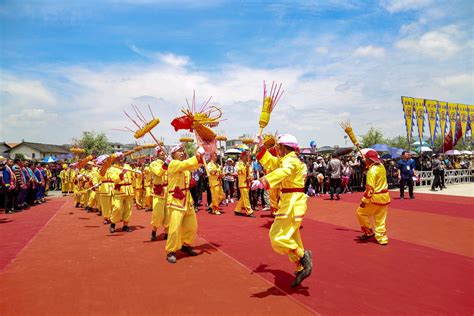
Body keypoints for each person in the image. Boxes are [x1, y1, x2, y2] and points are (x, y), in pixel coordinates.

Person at [253, 134, 312, 288]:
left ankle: (303, 256)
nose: (277, 149)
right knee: (292, 237)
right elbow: (272, 162)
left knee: (277, 236)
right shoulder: (287, 159)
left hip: (292, 202)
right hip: (289, 200)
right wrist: (261, 148)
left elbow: (283, 171)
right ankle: (301, 267)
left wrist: (263, 181)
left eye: (278, 146)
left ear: (285, 147)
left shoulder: (291, 160)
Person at [164, 143, 204, 263]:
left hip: (187, 200)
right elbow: (187, 164)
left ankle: (186, 245)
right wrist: (197, 156)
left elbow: (193, 166)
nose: (182, 152)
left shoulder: (183, 165)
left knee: (192, 226)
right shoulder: (173, 164)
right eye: (179, 151)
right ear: (173, 154)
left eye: (182, 150)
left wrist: (202, 157)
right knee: (175, 228)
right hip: (176, 200)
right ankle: (171, 251)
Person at [356, 149, 390, 245]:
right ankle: (382, 238)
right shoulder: (381, 166)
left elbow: (370, 189)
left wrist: (364, 201)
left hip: (375, 197)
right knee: (380, 219)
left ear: (368, 159)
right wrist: (367, 161)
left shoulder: (372, 171)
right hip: (385, 196)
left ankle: (368, 232)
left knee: (360, 213)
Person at [109, 154, 134, 233]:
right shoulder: (112, 168)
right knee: (117, 207)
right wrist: (122, 174)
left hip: (129, 190)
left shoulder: (127, 166)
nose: (120, 159)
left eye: (122, 157)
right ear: (115, 159)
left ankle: (125, 225)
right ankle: (113, 223)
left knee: (128, 208)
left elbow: (132, 176)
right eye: (119, 157)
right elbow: (114, 179)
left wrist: (137, 173)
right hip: (119, 190)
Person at [149, 146, 169, 241]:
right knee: (158, 212)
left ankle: (167, 232)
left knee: (168, 212)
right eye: (160, 151)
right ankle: (154, 230)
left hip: (169, 190)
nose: (162, 153)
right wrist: (166, 163)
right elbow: (159, 173)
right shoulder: (153, 164)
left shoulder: (170, 163)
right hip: (159, 190)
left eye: (163, 151)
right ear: (156, 153)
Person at [234, 147, 254, 217]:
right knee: (246, 198)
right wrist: (246, 168)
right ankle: (249, 211)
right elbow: (238, 171)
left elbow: (251, 172)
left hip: (247, 183)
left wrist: (250, 177)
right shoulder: (239, 164)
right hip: (242, 183)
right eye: (246, 156)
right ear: (242, 157)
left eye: (247, 156)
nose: (247, 157)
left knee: (243, 198)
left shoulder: (248, 164)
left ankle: (237, 209)